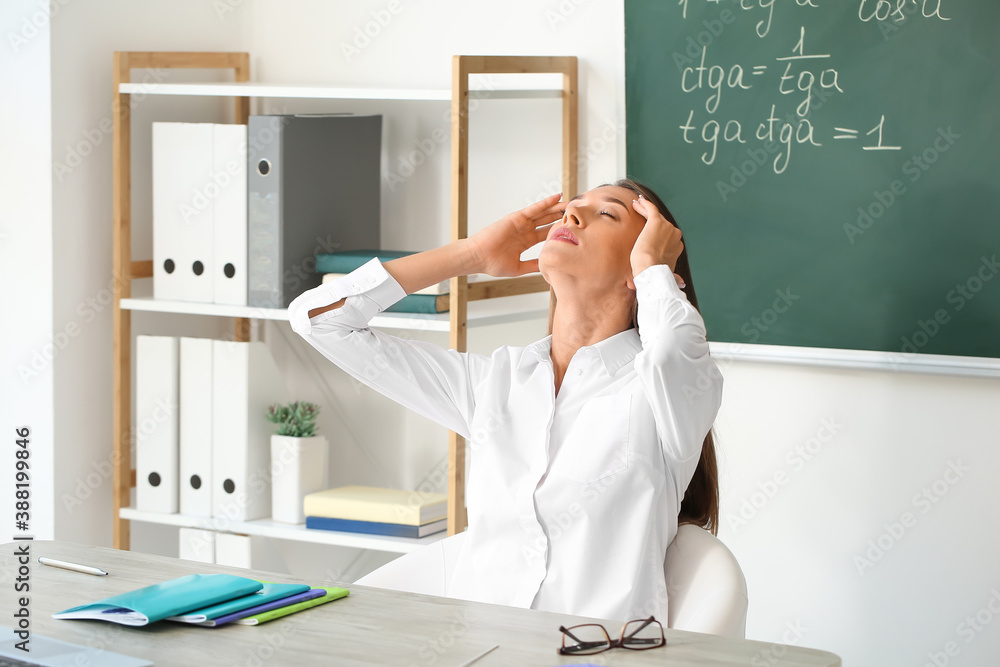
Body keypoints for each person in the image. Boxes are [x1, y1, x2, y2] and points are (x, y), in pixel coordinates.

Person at [287, 178, 723, 622]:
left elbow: (671, 351)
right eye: (573, 206)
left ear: (644, 271)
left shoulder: (665, 391)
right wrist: (471, 254)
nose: (572, 215)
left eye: (607, 214)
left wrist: (656, 270)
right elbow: (319, 321)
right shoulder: (498, 383)